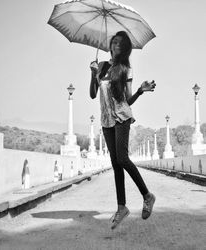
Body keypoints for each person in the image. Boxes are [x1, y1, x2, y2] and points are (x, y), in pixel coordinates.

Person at [89, 31, 156, 230]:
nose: (116, 45)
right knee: (115, 163)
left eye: (121, 43)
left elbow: (126, 100)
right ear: (110, 45)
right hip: (106, 119)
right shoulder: (101, 66)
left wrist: (140, 92)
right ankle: (122, 208)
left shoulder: (126, 69)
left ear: (125, 48)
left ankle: (147, 195)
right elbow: (93, 94)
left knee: (123, 158)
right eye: (114, 41)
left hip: (122, 117)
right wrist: (93, 75)